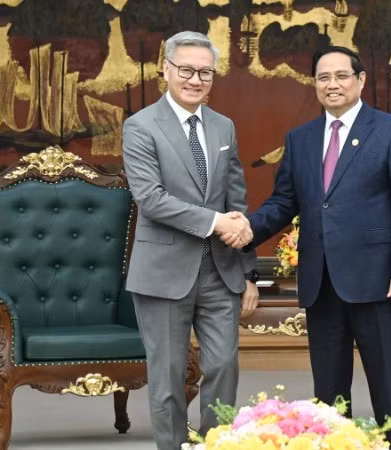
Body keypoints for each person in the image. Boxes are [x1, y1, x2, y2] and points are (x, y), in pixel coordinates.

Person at [226, 46, 391, 450]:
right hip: (322, 284)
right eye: (322, 77)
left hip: (380, 282)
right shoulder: (300, 139)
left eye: (340, 76)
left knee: (387, 388)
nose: (331, 85)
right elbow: (284, 203)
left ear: (361, 80)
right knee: (329, 393)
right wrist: (247, 228)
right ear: (314, 84)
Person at [121, 31, 260, 450]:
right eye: (186, 70)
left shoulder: (224, 126)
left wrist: (249, 271)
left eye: (205, 72)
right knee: (166, 378)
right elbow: (151, 199)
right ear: (166, 70)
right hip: (164, 274)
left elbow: (237, 200)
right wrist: (217, 221)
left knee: (223, 368)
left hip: (221, 272)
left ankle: (217, 445)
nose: (195, 80)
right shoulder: (140, 126)